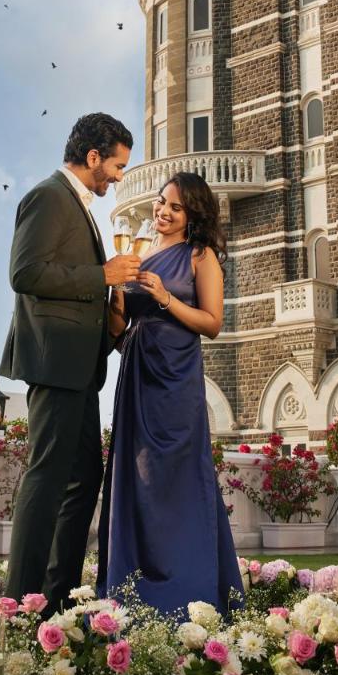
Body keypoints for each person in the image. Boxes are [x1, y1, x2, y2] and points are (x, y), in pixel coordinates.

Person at [0, 112, 140, 609]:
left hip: (81, 367)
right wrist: (101, 275)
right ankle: (20, 603)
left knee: (85, 477)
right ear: (93, 157)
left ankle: (55, 599)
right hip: (55, 363)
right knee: (47, 476)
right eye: (118, 166)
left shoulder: (79, 206)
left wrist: (111, 309)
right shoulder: (48, 197)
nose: (120, 177)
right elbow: (26, 272)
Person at [97, 171, 244, 615]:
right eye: (162, 202)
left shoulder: (201, 257)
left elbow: (212, 324)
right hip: (138, 373)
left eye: (175, 207)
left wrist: (163, 297)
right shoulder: (139, 255)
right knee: (136, 479)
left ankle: (188, 588)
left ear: (192, 214)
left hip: (176, 382)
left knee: (175, 479)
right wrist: (116, 303)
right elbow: (120, 333)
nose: (163, 211)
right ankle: (131, 586)